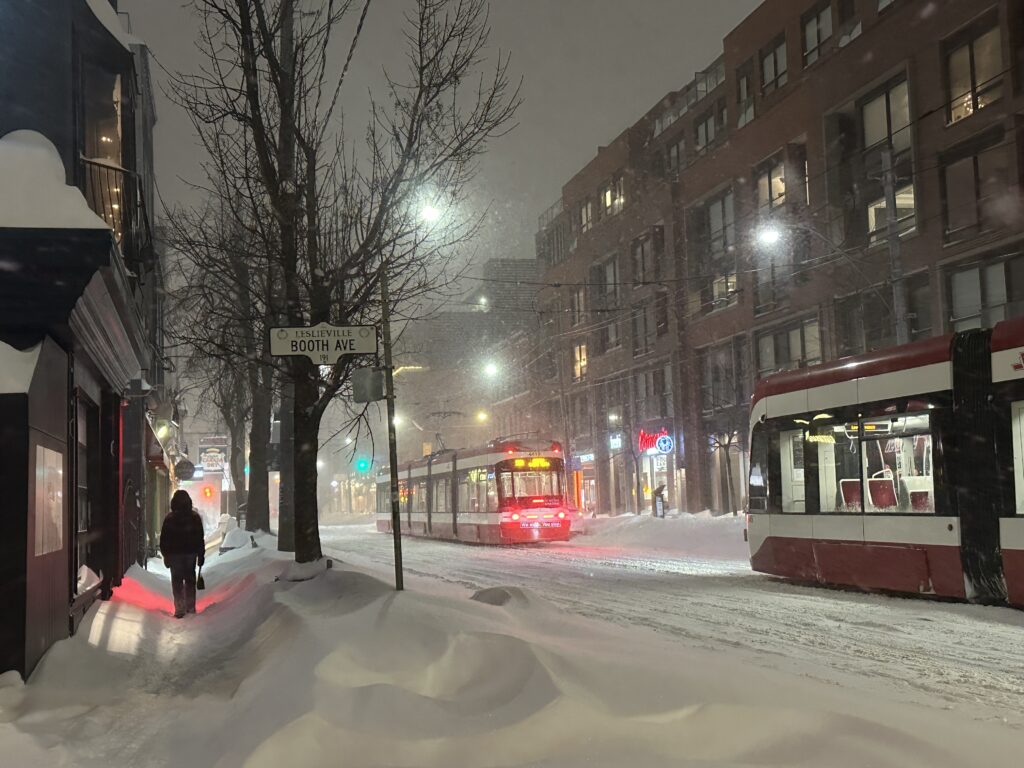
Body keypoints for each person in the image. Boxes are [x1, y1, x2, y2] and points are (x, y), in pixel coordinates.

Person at [160, 490, 206, 618]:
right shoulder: (195, 518)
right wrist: (201, 555)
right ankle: (190, 607)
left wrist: (166, 555)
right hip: (190, 553)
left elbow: (164, 539)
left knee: (177, 580)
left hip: (175, 555)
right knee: (190, 579)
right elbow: (199, 538)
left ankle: (179, 608)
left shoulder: (169, 519)